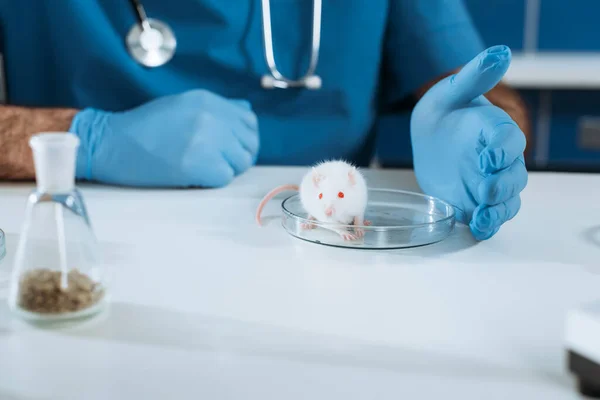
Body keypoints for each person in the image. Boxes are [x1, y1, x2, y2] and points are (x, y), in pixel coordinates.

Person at [0, 0, 528, 240]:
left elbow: (478, 80)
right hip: (77, 242)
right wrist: (85, 138)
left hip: (332, 252)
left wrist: (479, 136)